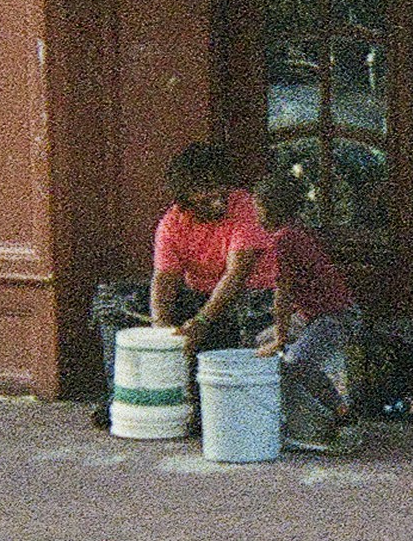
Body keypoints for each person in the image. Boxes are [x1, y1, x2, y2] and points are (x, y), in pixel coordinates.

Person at [96, 140, 268, 428]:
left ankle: (223, 401)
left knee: (253, 311)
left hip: (246, 297)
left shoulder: (246, 206)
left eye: (219, 185)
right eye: (203, 188)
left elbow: (236, 275)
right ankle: (125, 393)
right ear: (184, 197)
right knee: (114, 299)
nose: (215, 195)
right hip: (198, 296)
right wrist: (161, 333)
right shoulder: (172, 223)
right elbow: (164, 280)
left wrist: (201, 321)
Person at [253, 168, 362, 452]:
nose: (256, 214)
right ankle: (286, 416)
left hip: (335, 317)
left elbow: (283, 294)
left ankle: (343, 416)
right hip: (315, 315)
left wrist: (281, 336)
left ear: (271, 207)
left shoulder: (284, 239)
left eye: (259, 207)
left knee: (295, 361)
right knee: (260, 343)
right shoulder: (295, 231)